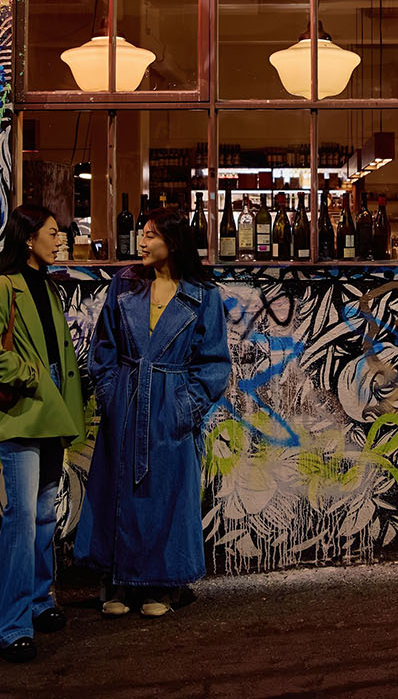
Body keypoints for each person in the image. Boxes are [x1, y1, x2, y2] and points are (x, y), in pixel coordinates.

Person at [76, 207, 233, 619]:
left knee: (166, 496)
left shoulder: (203, 295)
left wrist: (186, 406)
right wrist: (110, 393)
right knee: (117, 491)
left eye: (150, 235)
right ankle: (117, 581)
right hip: (127, 400)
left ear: (173, 242)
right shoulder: (124, 285)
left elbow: (214, 363)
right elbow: (103, 348)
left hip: (170, 404)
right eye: (142, 234)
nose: (141, 242)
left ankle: (164, 584)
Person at [0, 204, 87, 663]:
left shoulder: (48, 287)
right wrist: (31, 374)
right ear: (28, 238)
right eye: (53, 233)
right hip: (25, 410)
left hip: (54, 410)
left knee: (42, 515)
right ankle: (12, 625)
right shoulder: (2, 287)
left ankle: (40, 602)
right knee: (21, 518)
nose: (60, 241)